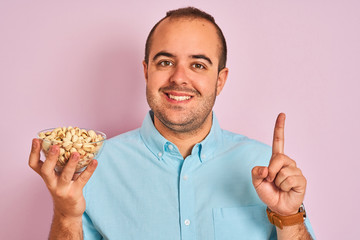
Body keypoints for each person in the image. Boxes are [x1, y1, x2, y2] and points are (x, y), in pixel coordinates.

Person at [29, 7, 315, 240]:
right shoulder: (91, 168)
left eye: (198, 65)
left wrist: (289, 219)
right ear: (146, 71)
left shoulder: (265, 166)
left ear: (220, 80)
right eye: (165, 62)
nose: (179, 78)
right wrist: (66, 215)